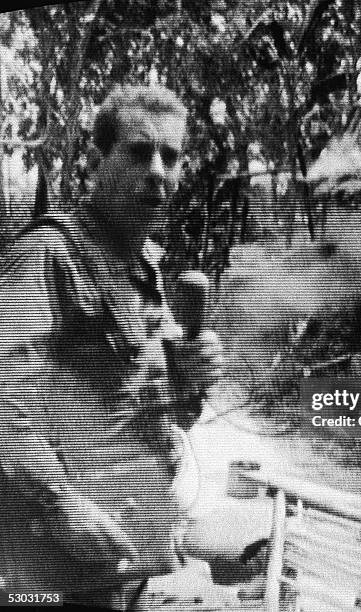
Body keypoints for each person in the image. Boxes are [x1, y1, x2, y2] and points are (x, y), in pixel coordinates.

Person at [0, 85, 224, 609]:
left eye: (170, 157)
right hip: (53, 557)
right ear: (94, 163)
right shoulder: (48, 254)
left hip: (127, 537)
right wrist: (58, 506)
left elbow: (154, 409)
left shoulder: (143, 264)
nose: (158, 173)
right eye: (139, 152)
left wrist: (190, 379)